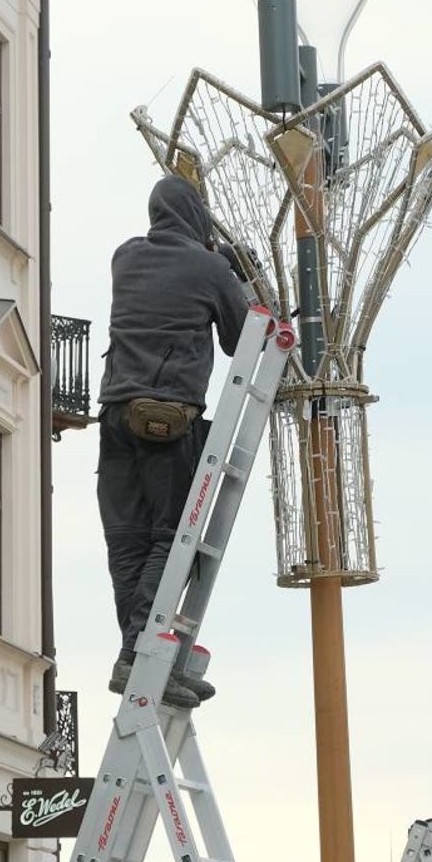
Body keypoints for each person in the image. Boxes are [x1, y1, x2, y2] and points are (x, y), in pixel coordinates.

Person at [98, 173, 251, 710]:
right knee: (173, 539)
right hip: (169, 421)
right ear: (198, 217)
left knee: (128, 542)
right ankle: (145, 655)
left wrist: (214, 257)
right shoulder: (209, 268)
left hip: (116, 415)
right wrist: (229, 265)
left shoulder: (125, 257)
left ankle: (133, 658)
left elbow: (165, 261)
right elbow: (237, 338)